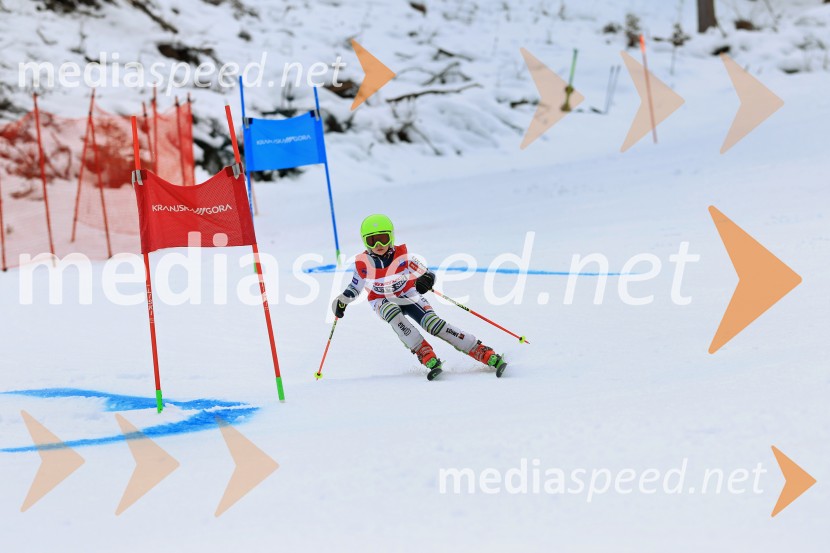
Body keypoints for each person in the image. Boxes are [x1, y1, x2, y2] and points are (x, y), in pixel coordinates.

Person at [332, 214, 507, 380]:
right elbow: (355, 287)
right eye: (372, 240)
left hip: (407, 294)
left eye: (383, 238)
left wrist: (426, 280)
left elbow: (427, 273)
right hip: (381, 300)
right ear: (365, 241)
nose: (378, 244)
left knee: (433, 324)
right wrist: (343, 300)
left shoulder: (403, 257)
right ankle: (423, 351)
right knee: (391, 312)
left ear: (391, 237)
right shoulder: (363, 264)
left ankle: (479, 350)